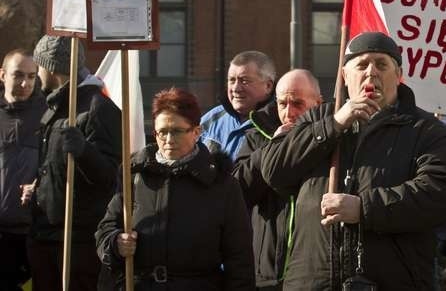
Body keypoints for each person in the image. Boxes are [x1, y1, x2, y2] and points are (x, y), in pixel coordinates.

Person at [261, 32, 446, 290]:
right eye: (362, 65)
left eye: (381, 64)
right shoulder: (317, 120)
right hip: (313, 282)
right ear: (345, 76)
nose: (371, 72)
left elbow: (438, 196)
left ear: (398, 74)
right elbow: (273, 171)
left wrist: (364, 209)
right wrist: (333, 125)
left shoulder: (426, 130)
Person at [96, 87, 255, 290]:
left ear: (197, 132)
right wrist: (116, 243)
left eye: (177, 131)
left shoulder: (221, 184)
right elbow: (105, 230)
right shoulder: (135, 176)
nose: (169, 140)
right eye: (162, 132)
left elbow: (239, 259)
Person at [25, 35, 122, 291]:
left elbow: (111, 176)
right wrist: (38, 191)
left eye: (39, 66)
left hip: (76, 244)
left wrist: (85, 151)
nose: (38, 74)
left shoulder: (97, 108)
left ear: (52, 67)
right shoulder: (57, 105)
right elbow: (56, 170)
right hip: (46, 238)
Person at [234, 69, 323, 290]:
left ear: (319, 103)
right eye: (282, 104)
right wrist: (273, 148)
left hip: (312, 274)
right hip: (267, 273)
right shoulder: (257, 137)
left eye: (297, 104)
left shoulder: (330, 139)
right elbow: (237, 191)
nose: (289, 112)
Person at [0, 49, 47, 290]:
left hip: (34, 234)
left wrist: (39, 184)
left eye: (31, 76)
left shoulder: (48, 114)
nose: (25, 83)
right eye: (18, 75)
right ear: (2, 75)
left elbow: (55, 167)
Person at [200, 51, 276, 161]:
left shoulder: (278, 122)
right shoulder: (213, 118)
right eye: (232, 80)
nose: (236, 88)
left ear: (268, 86)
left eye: (244, 81)